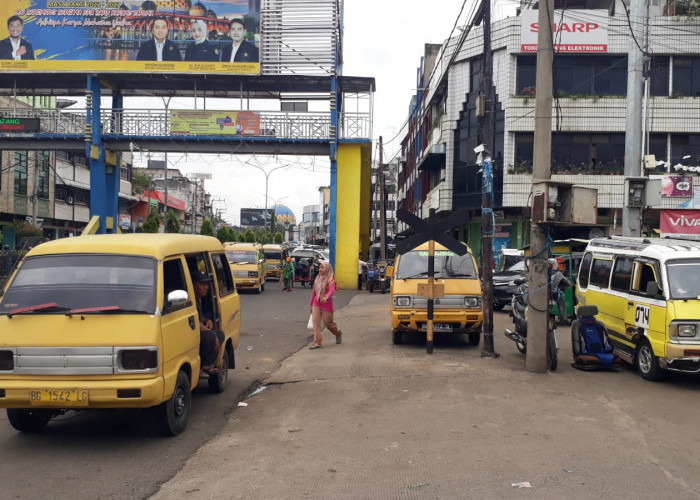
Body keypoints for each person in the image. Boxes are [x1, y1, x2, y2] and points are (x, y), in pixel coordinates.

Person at [191, 270, 225, 378]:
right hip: (189, 333)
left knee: (220, 334)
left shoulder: (198, 300)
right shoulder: (189, 299)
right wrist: (210, 333)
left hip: (198, 332)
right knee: (211, 336)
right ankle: (199, 368)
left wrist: (206, 321)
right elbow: (194, 321)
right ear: (192, 285)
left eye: (206, 284)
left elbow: (200, 318)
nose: (206, 287)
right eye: (202, 284)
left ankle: (206, 366)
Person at [308, 261, 343, 349]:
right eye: (319, 267)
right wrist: (311, 304)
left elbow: (331, 290)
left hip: (326, 304)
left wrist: (326, 297)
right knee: (315, 323)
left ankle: (338, 333)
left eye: (322, 267)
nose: (320, 269)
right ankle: (317, 342)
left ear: (327, 268)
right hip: (316, 303)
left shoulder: (331, 278)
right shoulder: (317, 278)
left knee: (328, 323)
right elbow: (314, 292)